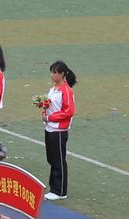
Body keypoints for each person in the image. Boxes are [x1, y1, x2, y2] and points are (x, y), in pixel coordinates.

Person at [41, 60, 76, 201]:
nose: (52, 75)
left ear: (62, 74)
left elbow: (69, 111)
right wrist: (44, 112)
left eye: (55, 73)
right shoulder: (54, 88)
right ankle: (53, 187)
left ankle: (60, 191)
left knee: (59, 159)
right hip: (50, 127)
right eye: (52, 72)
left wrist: (51, 117)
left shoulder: (66, 90)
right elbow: (50, 105)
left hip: (59, 130)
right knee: (51, 158)